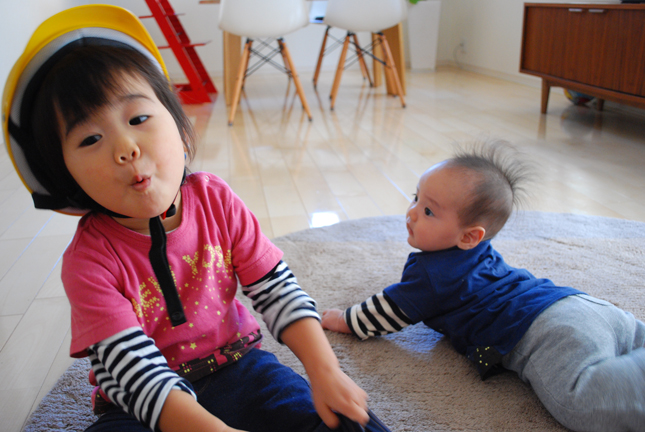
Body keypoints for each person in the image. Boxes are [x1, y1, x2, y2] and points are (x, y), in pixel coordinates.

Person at [3, 6, 391, 432]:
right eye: (90, 138)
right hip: (143, 406)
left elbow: (276, 289)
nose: (126, 147)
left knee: (347, 419)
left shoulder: (215, 200)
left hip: (240, 368)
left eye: (138, 118)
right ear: (63, 177)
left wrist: (325, 370)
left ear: (178, 122)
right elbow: (135, 372)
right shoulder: (89, 261)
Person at [322, 142, 645, 432]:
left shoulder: (431, 277)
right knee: (633, 339)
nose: (412, 213)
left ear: (469, 236)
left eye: (428, 211)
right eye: (416, 198)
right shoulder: (479, 250)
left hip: (548, 332)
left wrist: (344, 319)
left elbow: (389, 310)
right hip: (582, 304)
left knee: (585, 405)